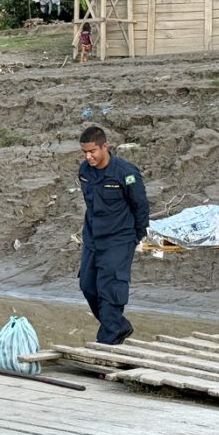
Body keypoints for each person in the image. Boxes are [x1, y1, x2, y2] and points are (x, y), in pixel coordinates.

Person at [78, 126, 150, 344]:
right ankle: (118, 326)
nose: (88, 157)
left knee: (110, 290)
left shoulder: (126, 173)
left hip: (119, 238)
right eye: (85, 152)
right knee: (88, 286)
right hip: (93, 238)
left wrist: (135, 237)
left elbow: (140, 206)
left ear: (104, 147)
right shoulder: (84, 171)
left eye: (92, 151)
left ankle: (106, 343)